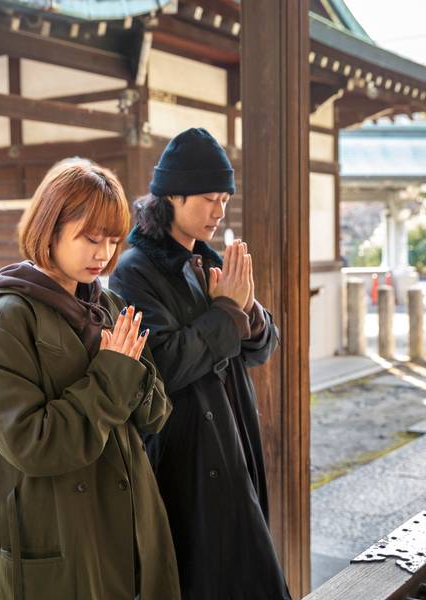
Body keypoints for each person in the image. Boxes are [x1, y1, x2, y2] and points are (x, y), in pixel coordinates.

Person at [0, 159, 180, 600]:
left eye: (112, 240)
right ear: (50, 228)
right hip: (61, 538)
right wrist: (114, 371)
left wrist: (131, 373)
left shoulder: (110, 303)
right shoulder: (5, 323)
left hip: (132, 527)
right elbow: (35, 445)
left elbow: (157, 413)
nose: (103, 253)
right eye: (90, 237)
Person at [109, 128, 289, 600]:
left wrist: (246, 312)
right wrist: (227, 312)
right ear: (172, 195)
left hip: (231, 436)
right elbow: (161, 367)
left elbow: (263, 347)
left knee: (245, 570)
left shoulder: (205, 260)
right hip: (183, 451)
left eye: (225, 199)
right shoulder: (135, 270)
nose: (219, 211)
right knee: (203, 577)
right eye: (209, 198)